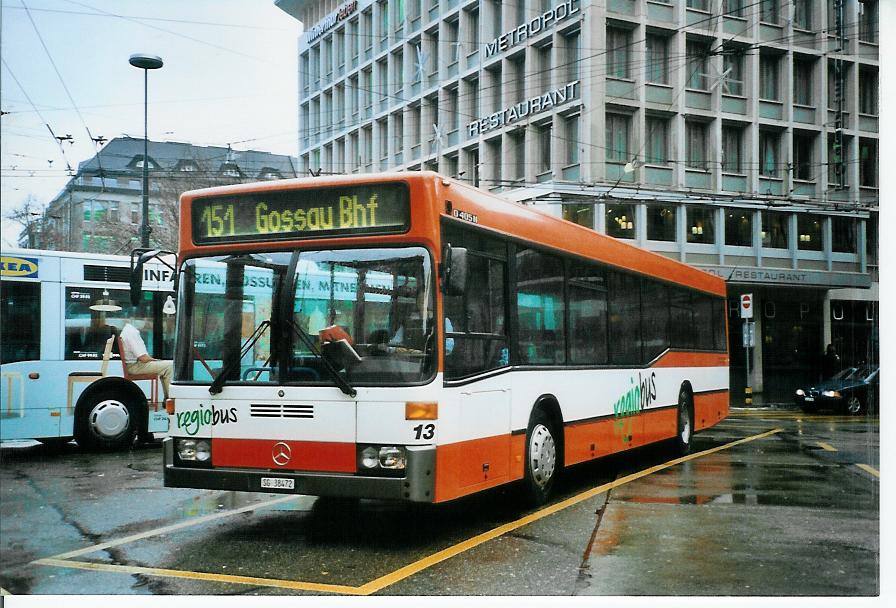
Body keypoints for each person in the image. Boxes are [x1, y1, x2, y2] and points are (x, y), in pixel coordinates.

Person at [120, 321, 173, 399]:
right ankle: (171, 400)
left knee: (165, 367)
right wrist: (156, 360)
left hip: (134, 365)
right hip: (134, 366)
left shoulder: (128, 330)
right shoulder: (131, 332)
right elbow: (143, 358)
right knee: (170, 366)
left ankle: (168, 399)